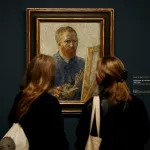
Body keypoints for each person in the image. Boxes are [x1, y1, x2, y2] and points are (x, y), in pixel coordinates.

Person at [75, 56, 150, 150]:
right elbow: (144, 136)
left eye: (97, 71)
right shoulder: (137, 103)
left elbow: (81, 140)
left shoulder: (92, 105)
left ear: (103, 76)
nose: (95, 73)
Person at [8, 54, 69, 150]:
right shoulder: (50, 102)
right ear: (49, 76)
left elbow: (12, 124)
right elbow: (58, 139)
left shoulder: (19, 98)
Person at [51, 26, 85, 100]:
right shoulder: (49, 64)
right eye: (67, 41)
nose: (72, 45)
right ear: (58, 43)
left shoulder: (83, 64)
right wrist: (59, 93)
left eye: (75, 41)